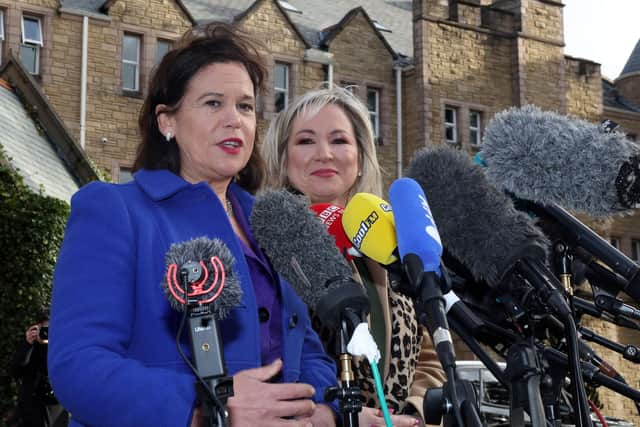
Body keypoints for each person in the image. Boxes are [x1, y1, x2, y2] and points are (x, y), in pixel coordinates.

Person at [48, 23, 337, 427]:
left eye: (246, 106)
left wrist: (321, 411)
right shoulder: (114, 210)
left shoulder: (273, 222)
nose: (234, 120)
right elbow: (79, 366)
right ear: (167, 121)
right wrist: (207, 408)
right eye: (214, 103)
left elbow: (306, 350)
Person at [262, 86, 447, 426]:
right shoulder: (266, 242)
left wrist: (415, 413)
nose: (324, 154)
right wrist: (340, 414)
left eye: (339, 140)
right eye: (305, 141)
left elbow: (428, 352)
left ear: (360, 157)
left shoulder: (391, 238)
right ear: (282, 158)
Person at [11, 309, 68, 427]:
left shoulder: (63, 346)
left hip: (55, 409)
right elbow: (15, 371)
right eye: (44, 328)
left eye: (50, 328)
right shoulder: (31, 346)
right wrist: (27, 344)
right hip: (31, 408)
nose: (47, 332)